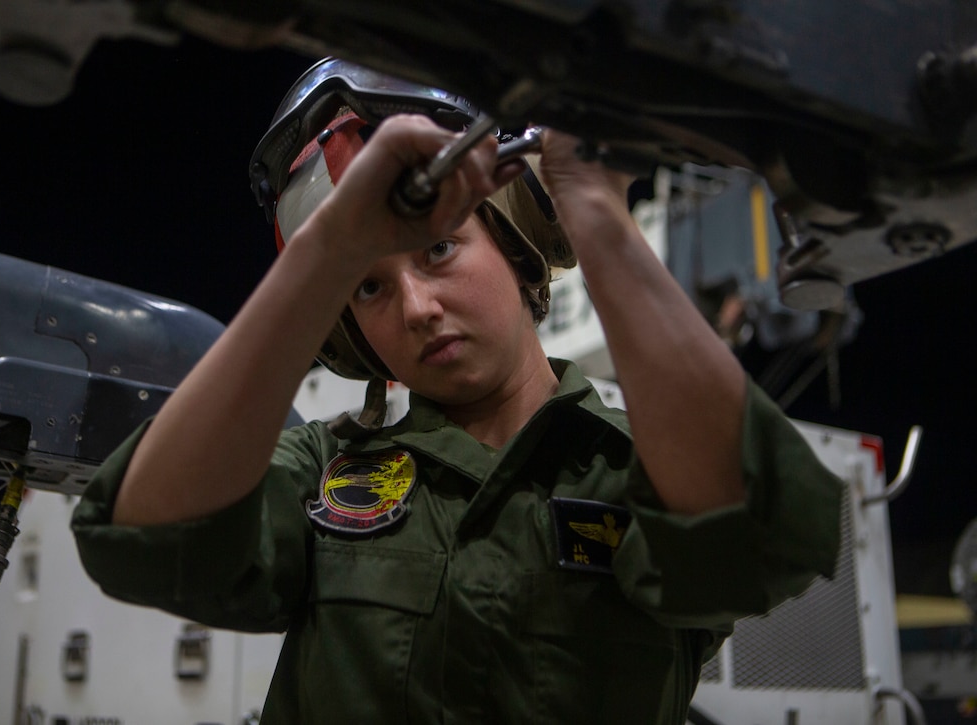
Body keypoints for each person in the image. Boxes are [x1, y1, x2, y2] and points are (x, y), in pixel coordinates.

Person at [71, 58, 843, 724]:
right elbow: (147, 536)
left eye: (438, 247)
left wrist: (597, 211)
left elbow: (761, 536)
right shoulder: (322, 471)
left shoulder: (642, 470)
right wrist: (328, 254)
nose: (414, 308)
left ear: (515, 246)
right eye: (369, 287)